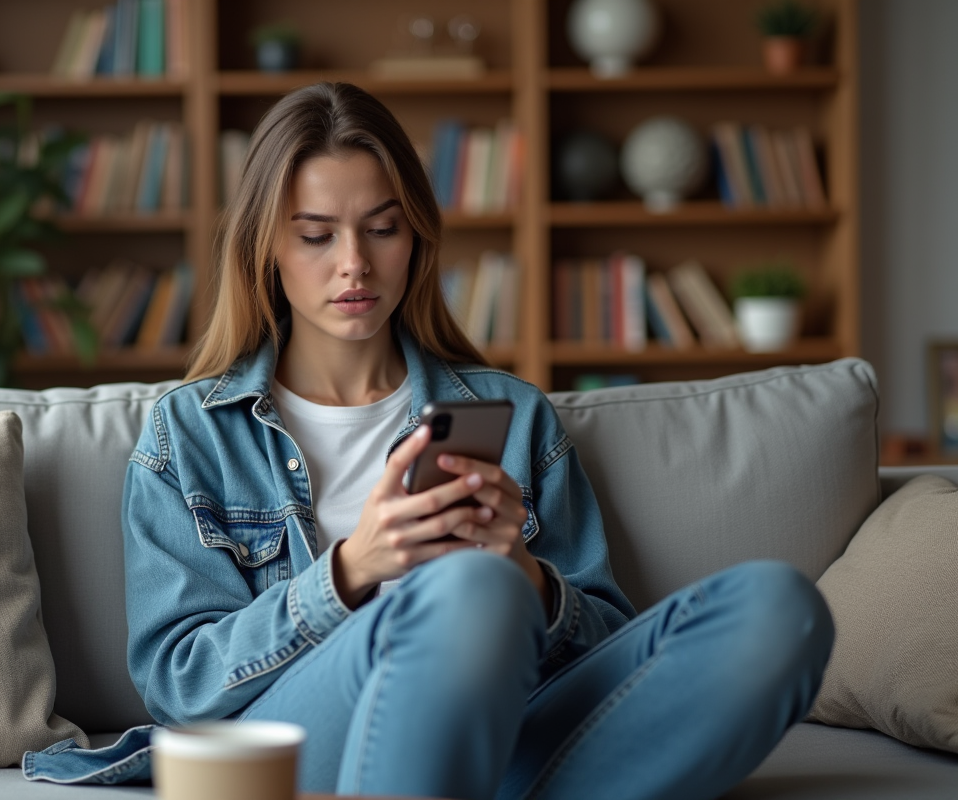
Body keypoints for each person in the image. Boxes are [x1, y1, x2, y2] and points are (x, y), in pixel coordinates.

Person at [118, 82, 833, 799]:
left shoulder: (513, 415)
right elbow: (179, 686)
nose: (354, 264)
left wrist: (527, 575)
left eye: (382, 228)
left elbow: (607, 639)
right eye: (315, 235)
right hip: (308, 736)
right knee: (468, 589)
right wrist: (347, 572)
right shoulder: (191, 432)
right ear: (267, 245)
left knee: (779, 609)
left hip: (507, 728)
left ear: (417, 234)